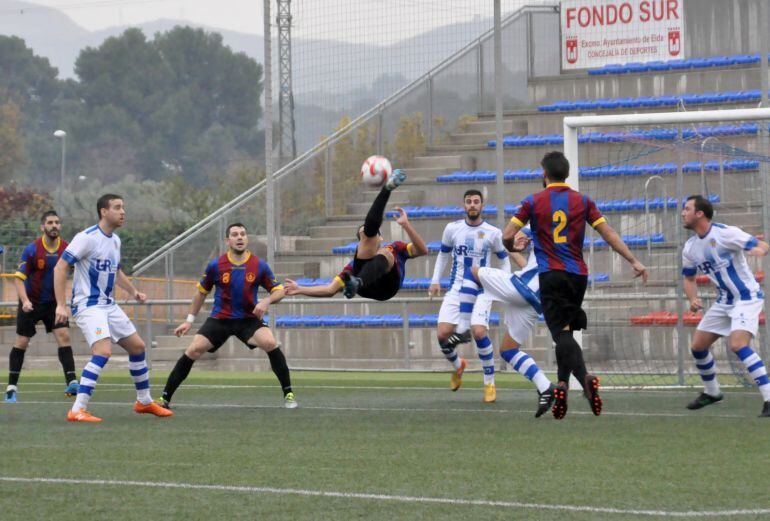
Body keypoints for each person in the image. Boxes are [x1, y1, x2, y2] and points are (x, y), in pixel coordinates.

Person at [504, 151, 648, 419]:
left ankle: (576, 380)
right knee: (566, 331)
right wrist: (633, 260)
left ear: (543, 174)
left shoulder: (532, 201)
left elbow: (507, 235)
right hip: (578, 275)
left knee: (561, 335)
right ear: (566, 174)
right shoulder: (583, 201)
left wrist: (511, 246)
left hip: (550, 274)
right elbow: (609, 233)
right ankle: (569, 384)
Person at [54, 194, 172, 422]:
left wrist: (133, 291)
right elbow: (60, 268)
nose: (123, 212)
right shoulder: (86, 238)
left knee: (137, 347)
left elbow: (115, 271)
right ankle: (77, 409)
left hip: (108, 305)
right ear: (103, 212)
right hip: (88, 305)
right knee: (103, 351)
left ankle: (144, 401)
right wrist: (60, 304)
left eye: (123, 207)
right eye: (117, 207)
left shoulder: (115, 240)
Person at [159, 223, 296, 409]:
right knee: (193, 350)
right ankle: (165, 398)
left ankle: (288, 393)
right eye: (234, 234)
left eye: (242, 234)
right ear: (227, 240)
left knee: (270, 343)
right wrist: (189, 321)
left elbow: (279, 291)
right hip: (220, 319)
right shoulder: (216, 265)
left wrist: (266, 301)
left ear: (246, 239)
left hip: (248, 320)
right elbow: (201, 293)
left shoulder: (259, 265)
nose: (239, 237)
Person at [680, 195, 770, 417]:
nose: (683, 213)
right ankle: (713, 393)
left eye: (687, 209)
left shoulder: (726, 233)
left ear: (700, 213)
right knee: (698, 346)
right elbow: (689, 278)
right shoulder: (690, 247)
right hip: (724, 301)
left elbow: (761, 244)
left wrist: (760, 250)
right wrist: (692, 299)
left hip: (746, 297)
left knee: (738, 345)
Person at [284, 170, 429, 300]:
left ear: (381, 237)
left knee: (386, 253)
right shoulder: (353, 267)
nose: (367, 237)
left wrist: (406, 225)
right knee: (370, 238)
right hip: (364, 286)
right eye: (363, 237)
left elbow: (423, 250)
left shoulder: (395, 248)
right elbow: (330, 290)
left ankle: (387, 189)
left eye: (372, 235)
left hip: (388, 286)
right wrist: (300, 289)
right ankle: (357, 282)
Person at [428, 189, 511, 402]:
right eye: (469, 202)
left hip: (483, 291)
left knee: (479, 332)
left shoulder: (493, 233)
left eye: (476, 202)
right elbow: (443, 255)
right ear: (464, 206)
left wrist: (503, 282)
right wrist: (435, 279)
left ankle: (489, 383)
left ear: (482, 206)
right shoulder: (452, 229)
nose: (472, 205)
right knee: (442, 335)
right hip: (456, 289)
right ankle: (458, 366)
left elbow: (504, 260)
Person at [470, 227, 556, 417]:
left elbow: (514, 237)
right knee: (508, 350)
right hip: (537, 299)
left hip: (523, 288)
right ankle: (546, 387)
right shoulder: (565, 238)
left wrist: (513, 241)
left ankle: (462, 324)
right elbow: (525, 258)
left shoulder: (539, 225)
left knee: (474, 271)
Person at [5, 211, 78, 403]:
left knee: (63, 335)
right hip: (31, 301)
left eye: (57, 222)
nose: (54, 225)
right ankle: (11, 387)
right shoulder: (32, 249)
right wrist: (26, 301)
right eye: (50, 222)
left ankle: (72, 381)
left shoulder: (67, 249)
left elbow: (79, 271)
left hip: (54, 303)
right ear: (42, 227)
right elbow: (18, 279)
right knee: (22, 341)